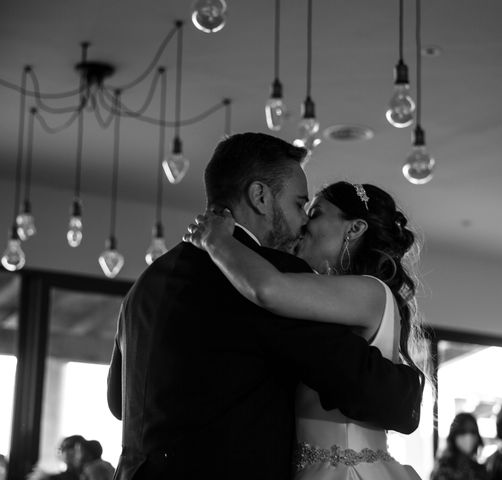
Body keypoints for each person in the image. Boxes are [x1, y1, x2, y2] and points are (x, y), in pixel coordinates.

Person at [107, 132, 424, 480]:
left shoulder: (145, 284)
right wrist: (408, 384)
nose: (304, 220)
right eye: (299, 204)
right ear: (260, 197)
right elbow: (362, 383)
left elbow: (118, 401)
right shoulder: (273, 274)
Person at [185, 179, 425, 479]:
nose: (302, 225)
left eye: (315, 214)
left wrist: (216, 241)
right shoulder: (328, 297)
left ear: (354, 228)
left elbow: (268, 289)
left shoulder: (370, 291)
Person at [430, 413, 487, 480]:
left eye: (473, 431)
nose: (468, 437)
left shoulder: (479, 470)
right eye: (463, 431)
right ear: (454, 435)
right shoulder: (442, 469)